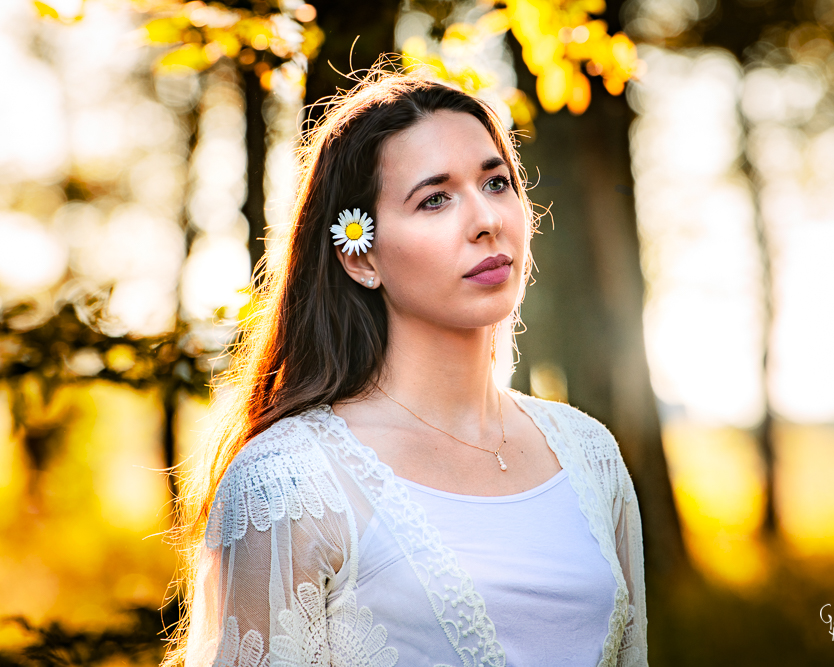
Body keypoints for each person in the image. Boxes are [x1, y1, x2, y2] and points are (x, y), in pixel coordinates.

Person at [165, 69, 646, 667]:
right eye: (435, 198)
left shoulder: (589, 453)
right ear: (360, 257)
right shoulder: (291, 481)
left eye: (496, 183)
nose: (485, 220)